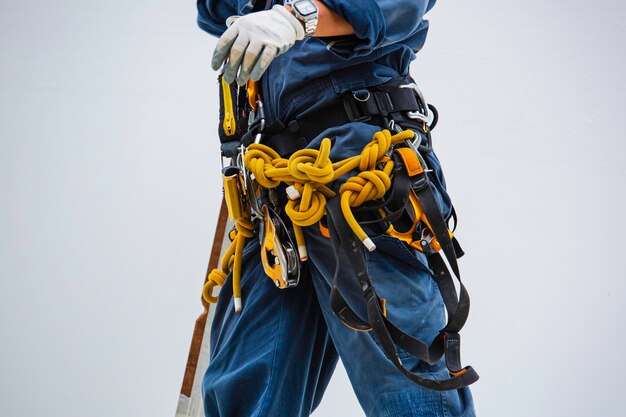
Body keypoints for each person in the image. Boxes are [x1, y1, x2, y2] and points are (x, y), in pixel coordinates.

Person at [196, 1, 477, 416]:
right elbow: (214, 10)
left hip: (358, 163)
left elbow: (393, 7)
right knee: (245, 381)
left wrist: (296, 16)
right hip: (276, 186)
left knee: (405, 377)